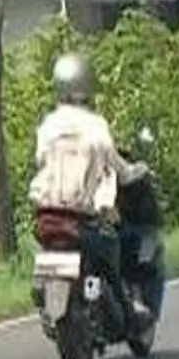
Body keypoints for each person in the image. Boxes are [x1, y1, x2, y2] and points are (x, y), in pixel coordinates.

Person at [30, 51, 153, 318]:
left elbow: (40, 159)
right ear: (87, 83)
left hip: (46, 211)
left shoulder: (48, 125)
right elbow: (117, 166)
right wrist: (136, 171)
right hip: (82, 212)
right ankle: (128, 302)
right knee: (117, 245)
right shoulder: (95, 125)